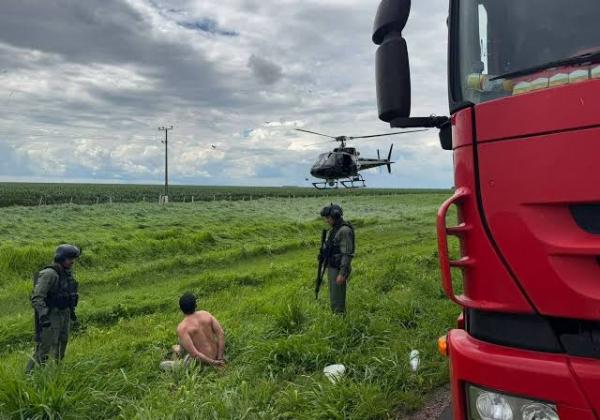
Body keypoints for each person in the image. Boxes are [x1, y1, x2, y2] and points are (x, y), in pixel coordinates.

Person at [26, 244, 80, 372]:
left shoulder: (66, 273)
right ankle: (30, 375)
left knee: (62, 343)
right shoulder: (49, 274)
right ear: (61, 258)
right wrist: (43, 316)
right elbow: (37, 297)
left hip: (64, 314)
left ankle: (57, 371)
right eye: (69, 258)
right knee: (44, 348)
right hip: (51, 315)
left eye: (73, 258)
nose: (72, 261)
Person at [160, 292, 225, 371]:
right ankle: (179, 350)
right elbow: (221, 333)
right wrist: (220, 358)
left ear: (181, 309)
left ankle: (179, 352)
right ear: (196, 305)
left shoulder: (182, 327)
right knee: (182, 340)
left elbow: (195, 355)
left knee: (162, 365)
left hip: (202, 363)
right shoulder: (206, 314)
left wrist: (214, 363)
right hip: (216, 354)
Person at [320, 204, 355, 314]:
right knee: (333, 295)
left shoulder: (344, 230)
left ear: (334, 216)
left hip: (338, 268)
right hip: (333, 267)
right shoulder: (334, 230)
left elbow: (347, 254)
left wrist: (342, 273)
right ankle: (336, 317)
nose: (326, 221)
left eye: (327, 218)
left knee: (337, 299)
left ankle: (340, 320)